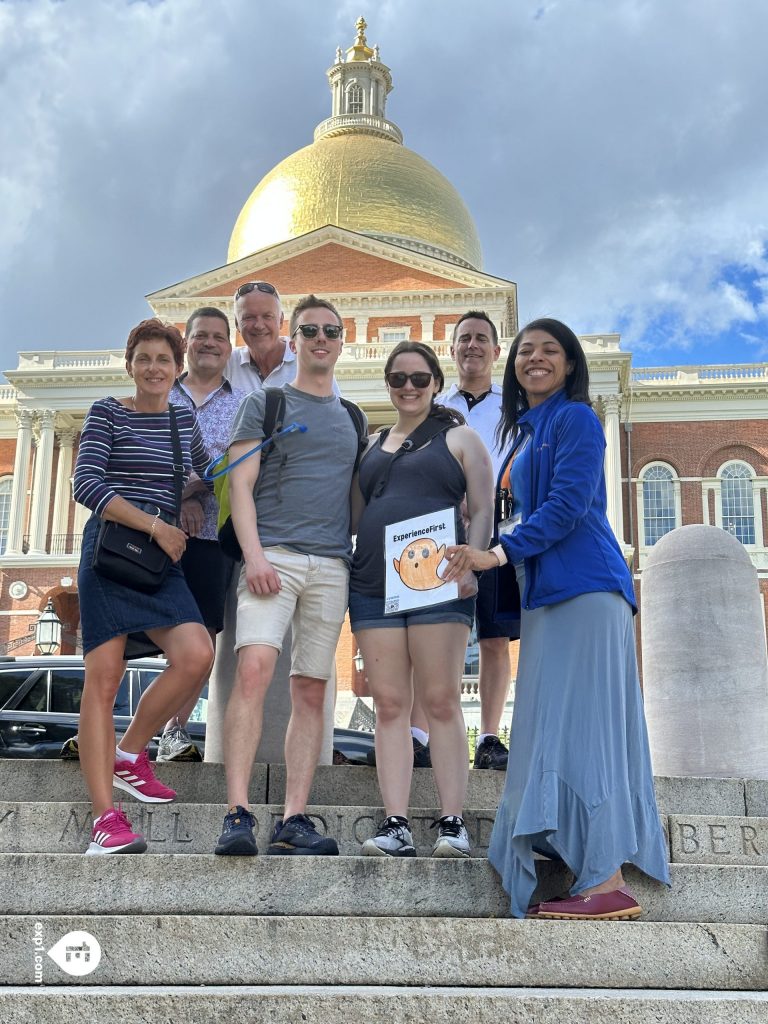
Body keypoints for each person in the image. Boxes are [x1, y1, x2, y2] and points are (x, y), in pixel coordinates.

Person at [444, 317, 670, 917]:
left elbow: (569, 507)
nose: (534, 358)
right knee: (551, 728)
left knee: (588, 729)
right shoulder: (523, 431)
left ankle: (606, 882)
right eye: (525, 351)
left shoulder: (575, 419)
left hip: (586, 588)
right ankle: (575, 853)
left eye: (550, 350)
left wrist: (492, 554)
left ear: (571, 364)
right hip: (546, 594)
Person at [215, 295, 366, 856]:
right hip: (272, 557)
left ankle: (294, 819)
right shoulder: (266, 403)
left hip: (331, 565)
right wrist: (253, 556)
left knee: (311, 690)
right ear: (294, 338)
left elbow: (356, 502)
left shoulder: (352, 417)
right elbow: (241, 485)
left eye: (331, 329)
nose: (321, 337)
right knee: (253, 672)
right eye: (310, 330)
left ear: (342, 340)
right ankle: (237, 812)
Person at [72, 318, 214, 855]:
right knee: (103, 680)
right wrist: (157, 525)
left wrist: (210, 494)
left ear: (177, 370)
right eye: (144, 359)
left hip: (161, 561)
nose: (154, 368)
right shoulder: (108, 412)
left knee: (197, 654)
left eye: (164, 360)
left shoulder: (183, 422)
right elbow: (87, 483)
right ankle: (105, 820)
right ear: (130, 364)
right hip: (112, 552)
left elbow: (206, 476)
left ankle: (131, 753)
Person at [351, 341, 493, 858]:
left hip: (437, 578)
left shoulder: (460, 437)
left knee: (439, 699)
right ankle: (395, 824)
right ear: (388, 386)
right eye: (398, 379)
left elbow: (481, 508)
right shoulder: (370, 446)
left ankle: (452, 821)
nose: (408, 387)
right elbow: (353, 513)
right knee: (389, 703)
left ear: (436, 382)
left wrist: (473, 558)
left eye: (418, 378)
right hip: (371, 581)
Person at [158, 307, 246, 761]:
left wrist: (201, 490)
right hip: (152, 530)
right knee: (137, 632)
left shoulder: (240, 404)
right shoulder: (159, 393)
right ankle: (110, 728)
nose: (209, 343)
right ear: (185, 342)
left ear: (228, 347)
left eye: (218, 337)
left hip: (211, 540)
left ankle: (171, 730)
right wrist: (180, 496)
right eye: (200, 336)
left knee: (201, 638)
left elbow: (244, 467)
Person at [439, 310, 518, 771]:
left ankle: (489, 735)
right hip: (444, 535)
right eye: (464, 338)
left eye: (481, 339)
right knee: (439, 636)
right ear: (453, 349)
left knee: (493, 637)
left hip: (495, 536)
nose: (472, 346)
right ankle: (424, 734)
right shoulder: (436, 404)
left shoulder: (515, 406)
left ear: (495, 351)